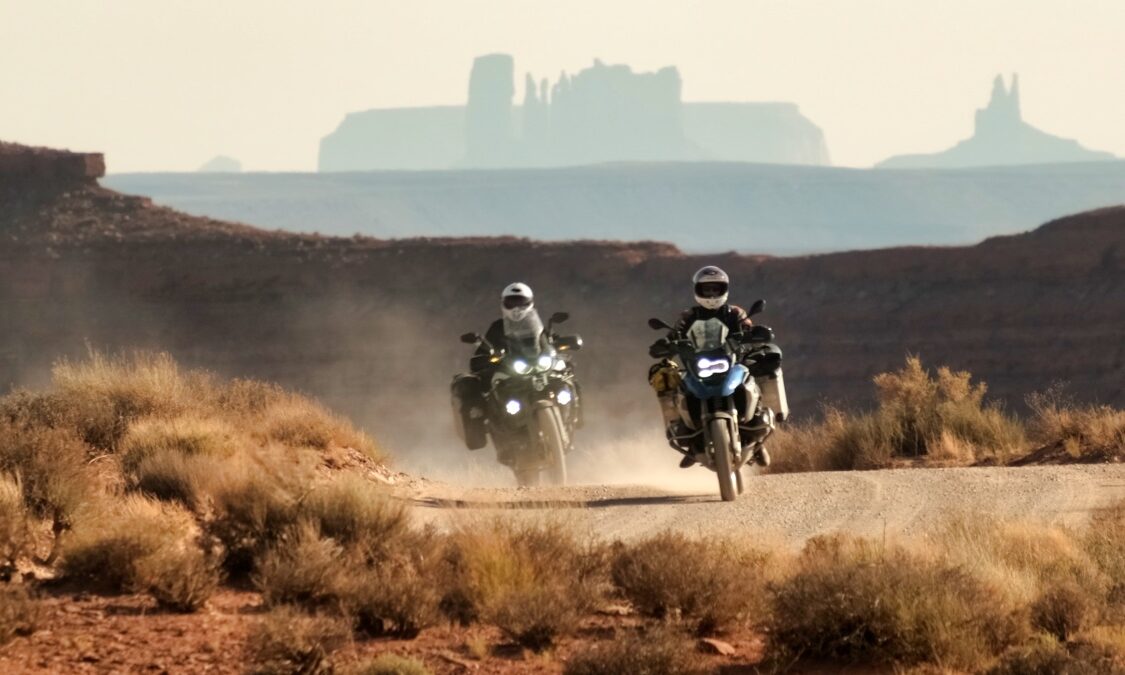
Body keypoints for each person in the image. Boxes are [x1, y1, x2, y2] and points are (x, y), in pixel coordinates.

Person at [649, 265, 772, 468]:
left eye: (716, 289)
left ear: (724, 289)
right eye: (707, 289)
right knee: (678, 386)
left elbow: (747, 327)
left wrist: (754, 333)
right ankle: (693, 443)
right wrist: (665, 345)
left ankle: (757, 439)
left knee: (748, 378)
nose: (712, 293)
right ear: (698, 290)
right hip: (698, 364)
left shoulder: (735, 313)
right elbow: (674, 335)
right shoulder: (688, 316)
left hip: (730, 360)